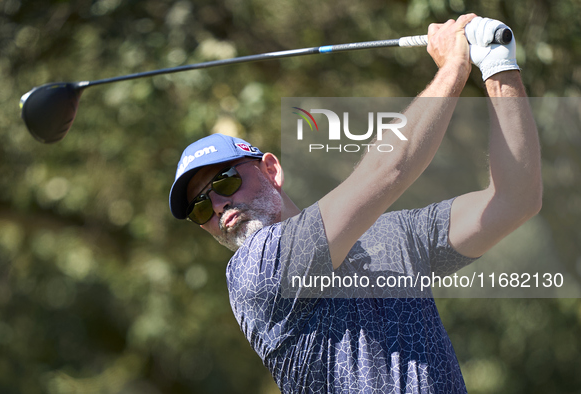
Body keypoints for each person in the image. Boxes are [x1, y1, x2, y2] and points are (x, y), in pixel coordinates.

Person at [168, 14, 542, 393]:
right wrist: (455, 66)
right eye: (200, 208)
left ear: (270, 170)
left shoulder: (395, 237)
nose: (216, 205)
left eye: (225, 181)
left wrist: (498, 66)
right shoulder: (254, 272)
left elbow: (516, 199)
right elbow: (388, 170)